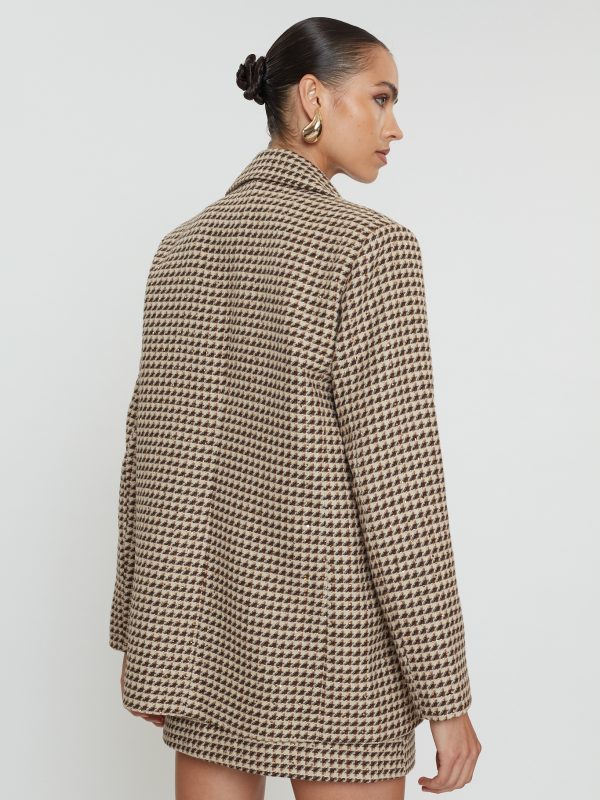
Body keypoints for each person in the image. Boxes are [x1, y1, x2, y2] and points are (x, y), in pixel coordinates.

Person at [109, 15, 481, 800]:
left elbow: (150, 461)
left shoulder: (181, 249)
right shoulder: (370, 248)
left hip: (206, 649)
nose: (395, 127)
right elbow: (401, 488)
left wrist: (148, 647)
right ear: (314, 97)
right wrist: (446, 697)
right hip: (337, 655)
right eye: (380, 98)